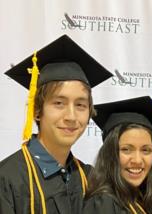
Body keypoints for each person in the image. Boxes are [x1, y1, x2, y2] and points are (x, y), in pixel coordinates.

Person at [0, 34, 113, 214]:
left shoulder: (90, 179)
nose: (71, 116)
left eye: (81, 105)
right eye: (59, 103)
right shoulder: (7, 179)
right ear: (37, 109)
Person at [83, 96, 152, 214]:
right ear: (109, 154)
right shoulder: (103, 203)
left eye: (146, 150)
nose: (137, 160)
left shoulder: (140, 199)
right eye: (126, 150)